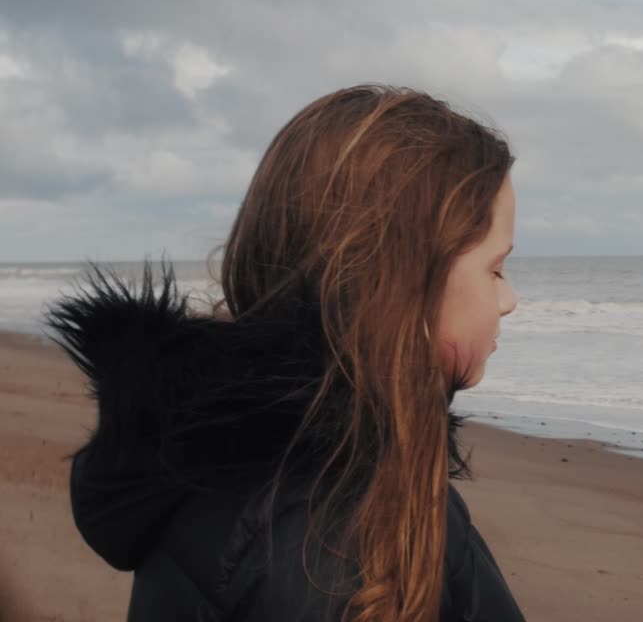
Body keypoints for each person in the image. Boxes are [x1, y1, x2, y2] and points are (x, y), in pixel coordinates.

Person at [44, 85, 525, 621]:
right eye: (496, 269)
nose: (509, 300)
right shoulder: (322, 546)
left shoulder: (303, 471)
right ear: (398, 286)